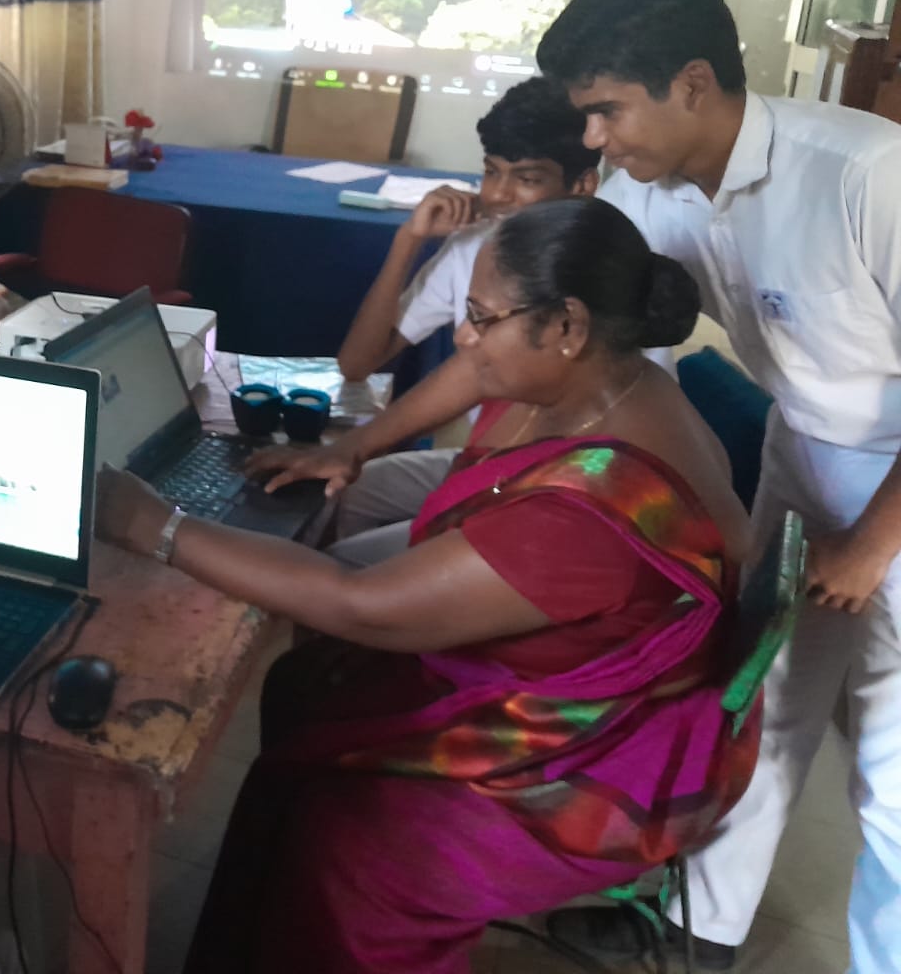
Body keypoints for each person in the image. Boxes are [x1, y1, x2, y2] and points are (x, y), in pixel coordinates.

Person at [99, 197, 755, 974]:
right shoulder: (601, 377)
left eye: (481, 317)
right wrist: (351, 450)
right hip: (571, 683)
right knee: (304, 686)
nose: (464, 336)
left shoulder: (595, 506)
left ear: (567, 325)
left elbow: (362, 608)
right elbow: (474, 370)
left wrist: (156, 526)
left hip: (587, 756)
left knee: (346, 834)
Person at [522, 0, 901, 973]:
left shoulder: (866, 173)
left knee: (891, 770)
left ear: (691, 83)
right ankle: (699, 934)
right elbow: (585, 338)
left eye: (605, 111)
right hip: (799, 452)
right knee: (761, 704)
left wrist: (873, 544)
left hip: (895, 488)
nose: (593, 140)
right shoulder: (654, 198)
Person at [329, 77, 601, 563]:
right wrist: (408, 240)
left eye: (527, 179)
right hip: (488, 464)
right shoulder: (474, 246)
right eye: (491, 172)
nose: (499, 195)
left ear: (582, 186)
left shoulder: (601, 268)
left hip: (567, 490)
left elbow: (481, 377)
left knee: (345, 567)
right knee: (337, 493)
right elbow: (357, 364)